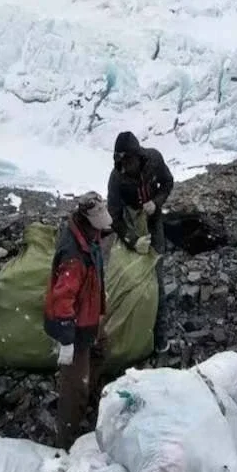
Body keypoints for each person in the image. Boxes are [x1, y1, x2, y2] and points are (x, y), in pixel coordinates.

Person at [43, 193, 112, 449]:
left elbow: (104, 231)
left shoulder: (87, 236)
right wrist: (67, 340)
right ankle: (66, 442)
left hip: (89, 317)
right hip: (75, 325)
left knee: (101, 350)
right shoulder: (73, 256)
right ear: (85, 220)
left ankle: (91, 395)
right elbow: (62, 301)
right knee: (74, 388)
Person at [107, 131, 175, 353]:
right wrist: (133, 241)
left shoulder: (154, 159)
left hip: (154, 224)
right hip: (130, 226)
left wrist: (156, 203)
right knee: (130, 278)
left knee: (157, 277)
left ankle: (159, 337)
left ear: (138, 156)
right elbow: (114, 217)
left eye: (128, 161)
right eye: (121, 162)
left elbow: (167, 183)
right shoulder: (116, 178)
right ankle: (129, 334)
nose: (125, 167)